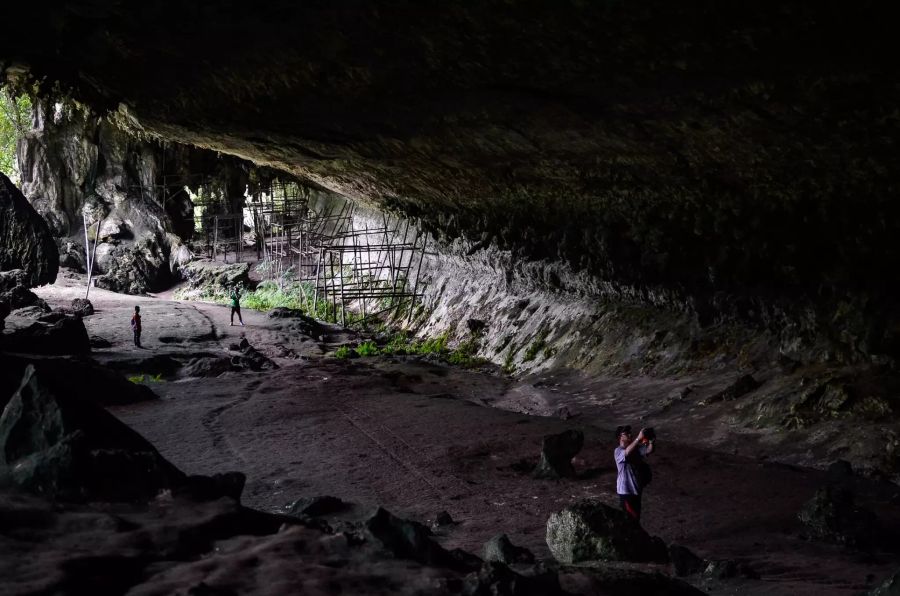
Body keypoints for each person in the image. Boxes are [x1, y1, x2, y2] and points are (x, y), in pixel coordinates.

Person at [614, 425, 654, 522]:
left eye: (629, 432)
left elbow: (649, 450)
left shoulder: (635, 449)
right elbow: (626, 453)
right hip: (625, 492)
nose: (630, 434)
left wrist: (651, 441)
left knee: (636, 519)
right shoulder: (618, 451)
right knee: (630, 519)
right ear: (620, 437)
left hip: (636, 490)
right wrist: (638, 439)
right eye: (626, 433)